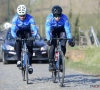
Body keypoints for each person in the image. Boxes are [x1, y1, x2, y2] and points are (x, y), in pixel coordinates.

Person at [45, 5, 75, 71]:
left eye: (59, 15)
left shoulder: (64, 18)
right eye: (55, 16)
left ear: (61, 14)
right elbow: (47, 30)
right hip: (52, 31)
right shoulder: (49, 18)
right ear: (53, 15)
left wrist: (70, 39)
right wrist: (48, 39)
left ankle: (61, 63)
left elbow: (67, 30)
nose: (57, 17)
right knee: (53, 45)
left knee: (63, 45)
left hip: (61, 31)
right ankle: (51, 63)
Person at [11, 4, 38, 74]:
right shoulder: (15, 19)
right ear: (18, 14)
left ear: (26, 14)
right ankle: (18, 60)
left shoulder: (30, 18)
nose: (22, 17)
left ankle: (29, 65)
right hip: (19, 32)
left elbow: (34, 29)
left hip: (27, 32)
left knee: (30, 45)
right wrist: (15, 37)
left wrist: (34, 36)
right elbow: (12, 30)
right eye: (20, 15)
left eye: (23, 15)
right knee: (18, 41)